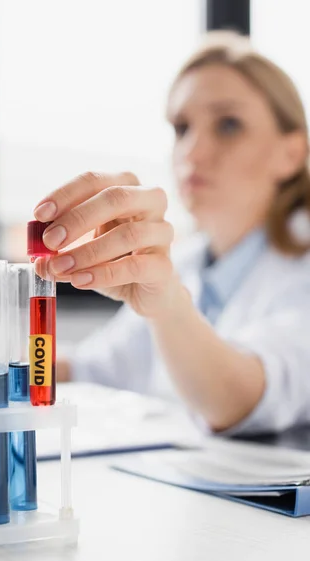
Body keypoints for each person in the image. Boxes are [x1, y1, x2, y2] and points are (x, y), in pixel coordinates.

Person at [33, 31, 310, 435]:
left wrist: (165, 305)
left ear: (292, 153)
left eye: (228, 124)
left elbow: (236, 399)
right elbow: (88, 368)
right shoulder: (188, 262)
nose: (192, 152)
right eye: (182, 127)